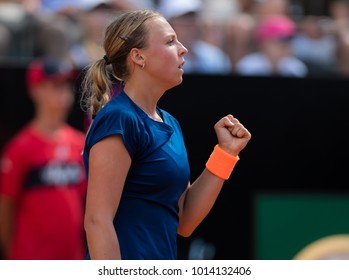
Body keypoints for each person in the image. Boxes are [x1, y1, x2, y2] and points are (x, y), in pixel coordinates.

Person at [81, 9, 251, 260]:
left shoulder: (171, 123)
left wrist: (225, 154)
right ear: (138, 57)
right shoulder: (119, 118)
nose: (183, 49)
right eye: (170, 41)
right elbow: (97, 221)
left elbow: (185, 220)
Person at [0, 56, 87, 260]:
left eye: (67, 85)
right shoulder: (20, 148)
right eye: (56, 85)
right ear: (36, 89)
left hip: (72, 259)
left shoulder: (81, 144)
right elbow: (5, 209)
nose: (65, 93)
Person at [235, 14, 308, 77]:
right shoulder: (247, 66)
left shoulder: (296, 68)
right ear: (264, 43)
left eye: (289, 40)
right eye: (281, 40)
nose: (286, 45)